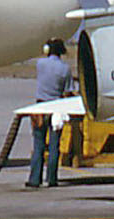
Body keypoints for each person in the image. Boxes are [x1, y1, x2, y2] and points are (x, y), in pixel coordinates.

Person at [26, 38, 77, 188]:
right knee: (54, 146)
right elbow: (68, 91)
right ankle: (52, 179)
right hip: (57, 109)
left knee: (38, 145)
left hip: (41, 108)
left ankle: (35, 179)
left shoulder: (40, 64)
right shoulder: (65, 69)